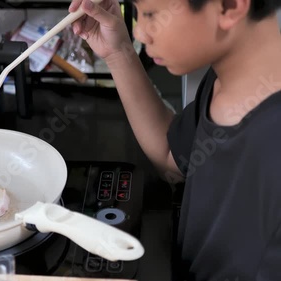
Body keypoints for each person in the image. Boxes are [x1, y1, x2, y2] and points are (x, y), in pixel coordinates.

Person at [69, 0, 281, 280]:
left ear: (230, 6)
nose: (141, 34)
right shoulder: (226, 77)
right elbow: (173, 159)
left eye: (151, 14)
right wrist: (118, 52)